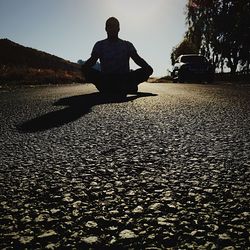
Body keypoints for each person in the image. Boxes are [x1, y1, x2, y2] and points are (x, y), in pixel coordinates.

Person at [82, 17, 153, 95]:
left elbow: (137, 59)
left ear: (119, 28)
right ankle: (125, 87)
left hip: (125, 78)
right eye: (110, 26)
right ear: (106, 28)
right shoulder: (100, 45)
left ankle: (121, 87)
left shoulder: (127, 44)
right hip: (106, 79)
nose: (112, 28)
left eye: (115, 26)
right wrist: (84, 68)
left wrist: (147, 67)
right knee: (86, 70)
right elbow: (92, 60)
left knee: (147, 70)